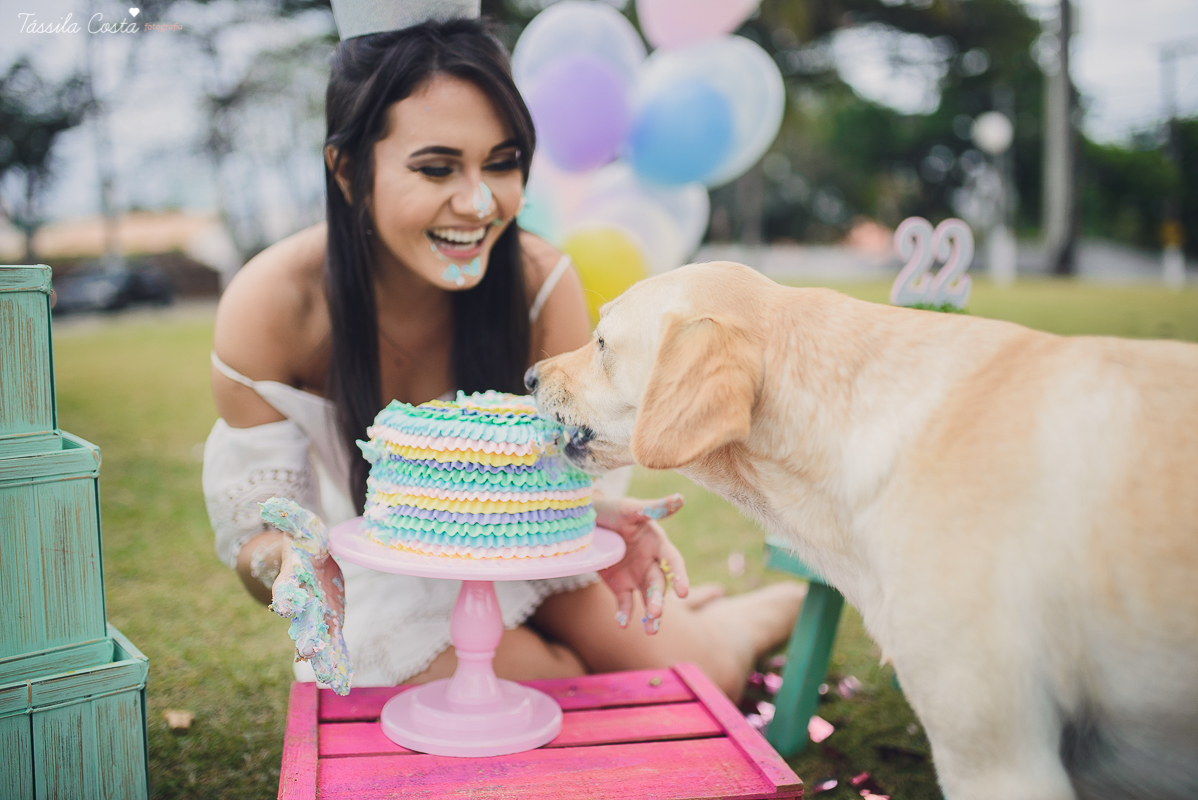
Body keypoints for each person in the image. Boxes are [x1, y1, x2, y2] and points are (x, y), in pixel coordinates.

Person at [201, 14, 803, 700]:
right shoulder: (272, 308)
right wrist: (288, 560)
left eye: (502, 162)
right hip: (386, 577)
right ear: (347, 170)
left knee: (701, 675)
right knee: (508, 693)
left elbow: (566, 473)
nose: (479, 203)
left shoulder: (539, 282)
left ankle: (750, 618)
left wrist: (595, 513)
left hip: (524, 548)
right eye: (436, 168)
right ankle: (582, 658)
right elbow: (258, 537)